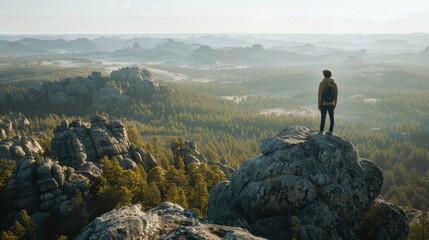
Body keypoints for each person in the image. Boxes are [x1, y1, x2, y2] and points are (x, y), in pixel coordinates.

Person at [318, 69, 338, 135]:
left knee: (323, 118)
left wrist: (319, 104)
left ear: (324, 75)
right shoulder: (334, 84)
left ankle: (321, 131)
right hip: (331, 103)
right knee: (331, 118)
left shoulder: (322, 84)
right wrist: (335, 104)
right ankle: (330, 131)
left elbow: (320, 94)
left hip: (324, 103)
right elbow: (336, 95)